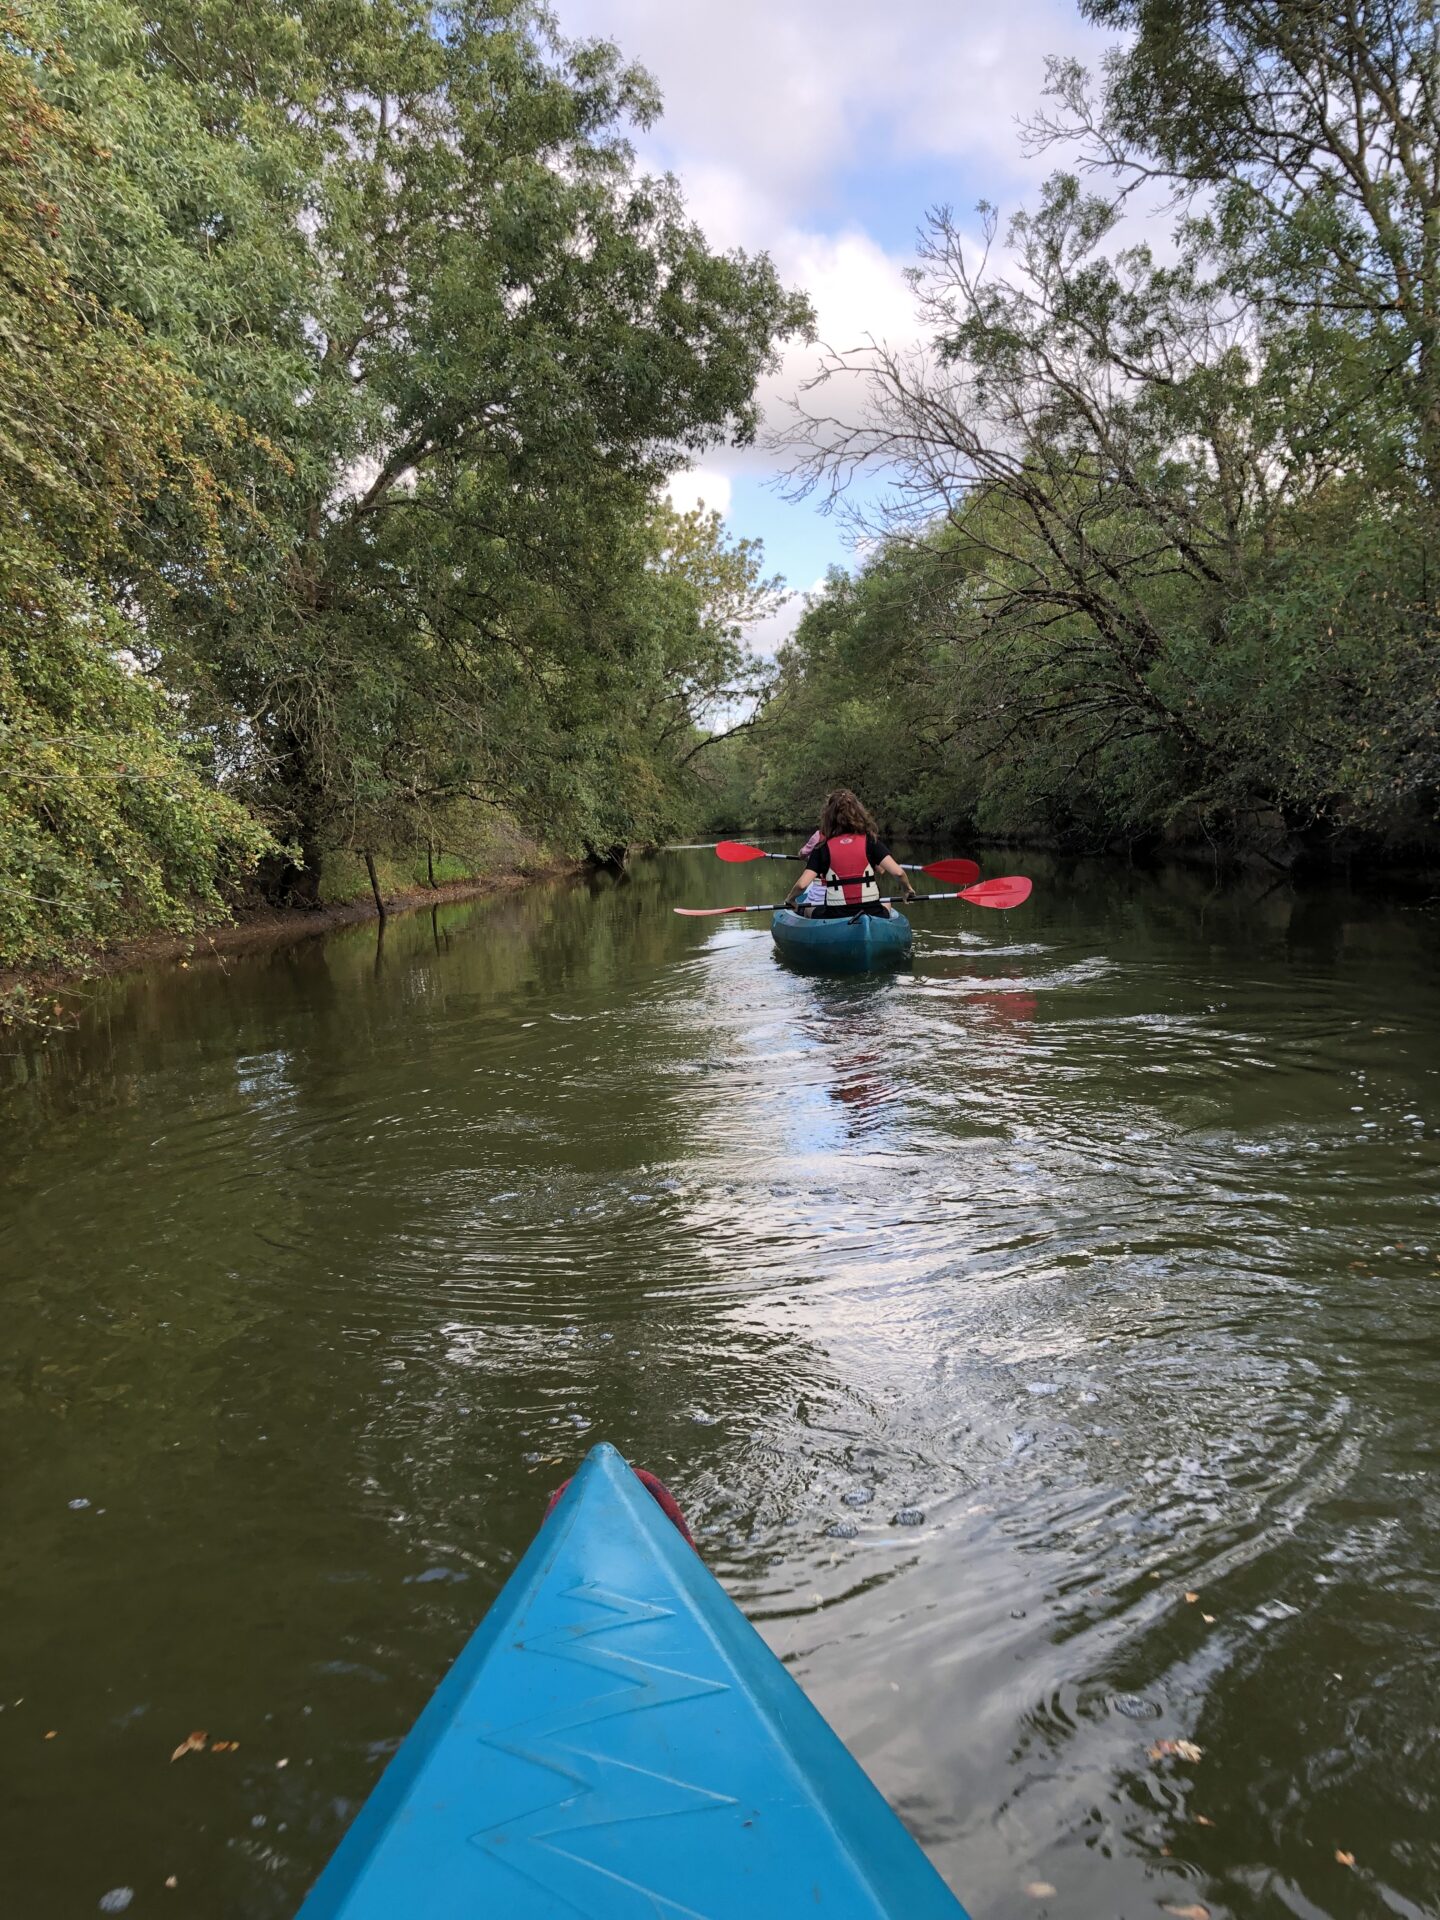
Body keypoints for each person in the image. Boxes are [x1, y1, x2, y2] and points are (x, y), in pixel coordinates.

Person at [783, 789, 916, 919]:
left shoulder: (822, 847)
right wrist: (907, 890)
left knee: (807, 909)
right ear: (859, 813)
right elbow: (898, 873)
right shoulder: (870, 841)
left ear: (828, 817)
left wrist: (790, 899)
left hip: (835, 914)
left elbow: (802, 885)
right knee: (886, 902)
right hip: (871, 911)